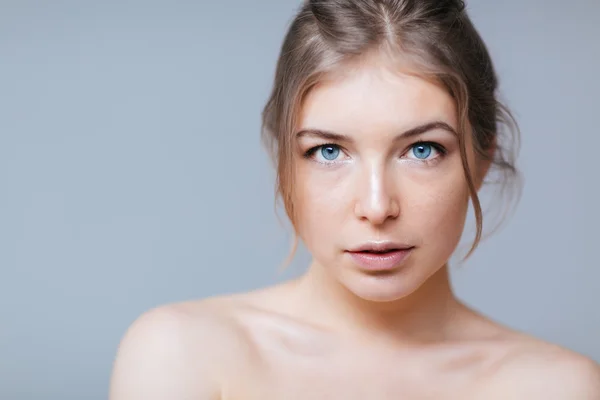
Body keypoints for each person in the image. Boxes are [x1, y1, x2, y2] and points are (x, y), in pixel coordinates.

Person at [109, 1, 600, 398]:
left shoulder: (557, 387)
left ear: (483, 155)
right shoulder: (181, 355)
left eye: (422, 150)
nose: (376, 206)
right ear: (286, 161)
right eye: (328, 151)